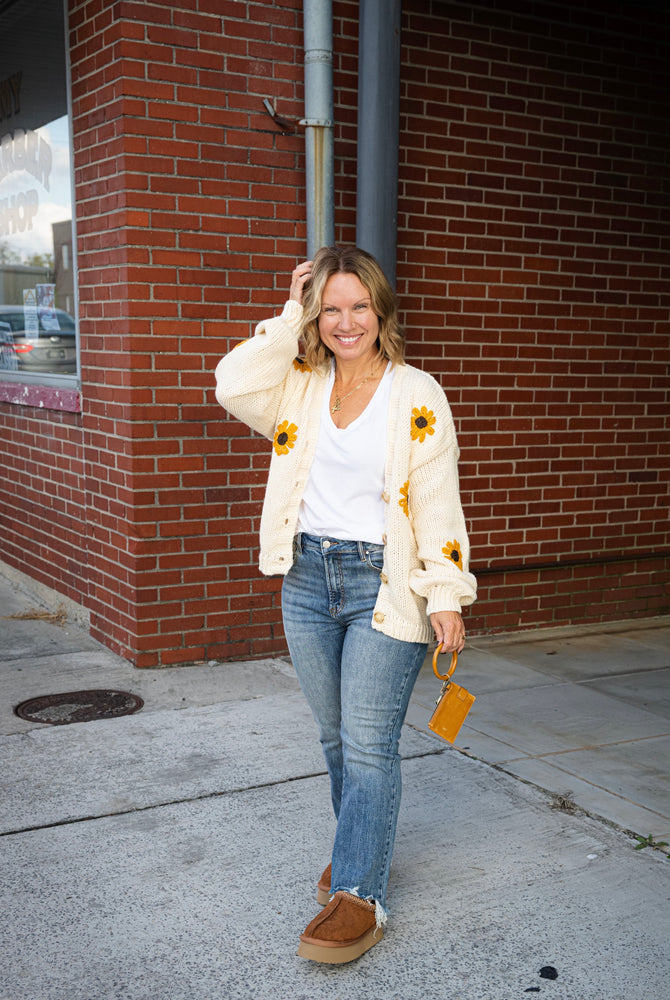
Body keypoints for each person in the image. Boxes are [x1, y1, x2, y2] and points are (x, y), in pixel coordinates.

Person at [215, 246, 477, 964]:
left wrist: (446, 593)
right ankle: (353, 848)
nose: (346, 321)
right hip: (305, 578)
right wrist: (287, 316)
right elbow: (231, 384)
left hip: (382, 585)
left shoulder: (415, 392)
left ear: (380, 311)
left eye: (359, 305)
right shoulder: (298, 383)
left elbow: (435, 501)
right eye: (330, 308)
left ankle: (360, 892)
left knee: (367, 744)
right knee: (333, 738)